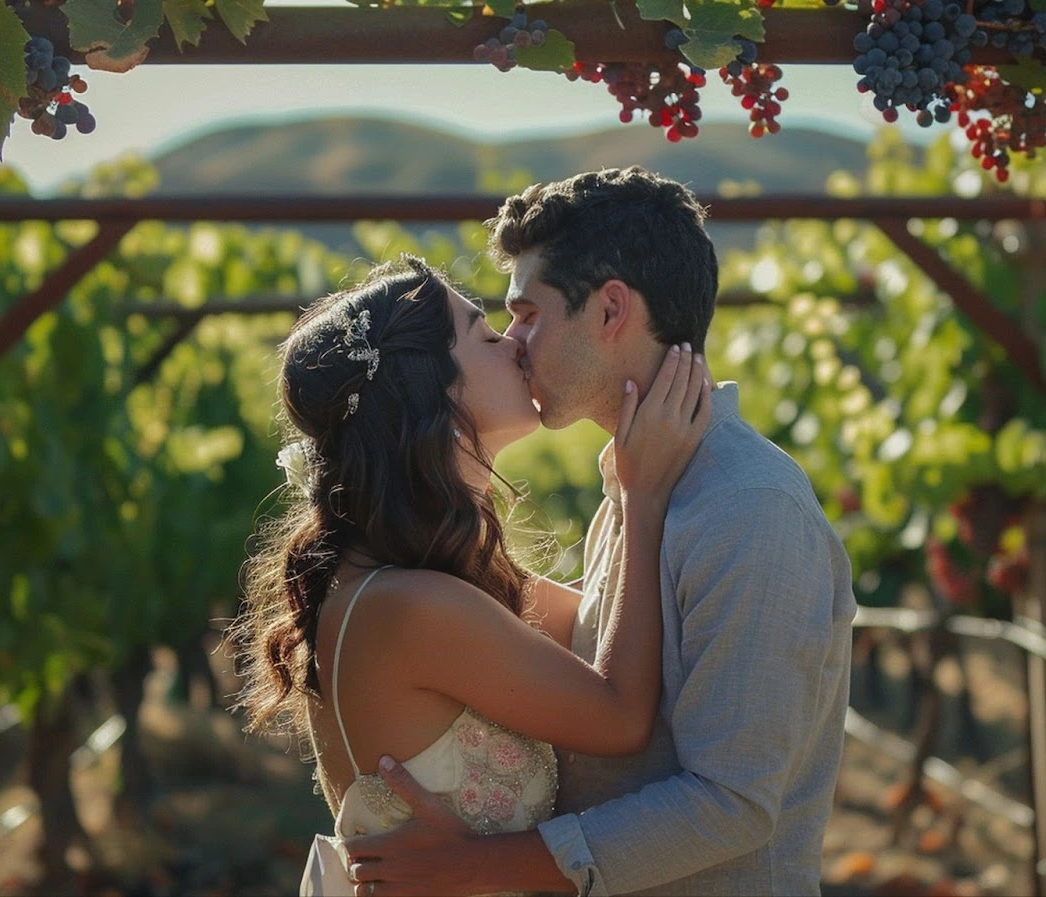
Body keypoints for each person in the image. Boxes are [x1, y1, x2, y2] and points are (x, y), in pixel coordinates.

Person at [344, 167, 858, 896]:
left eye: (527, 313)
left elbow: (733, 803)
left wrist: (476, 865)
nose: (513, 341)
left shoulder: (752, 509)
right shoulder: (633, 484)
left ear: (611, 310)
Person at [227, 254, 712, 896]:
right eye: (484, 333)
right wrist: (642, 496)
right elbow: (620, 717)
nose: (513, 342)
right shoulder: (411, 606)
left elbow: (598, 623)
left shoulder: (432, 580)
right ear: (432, 387)